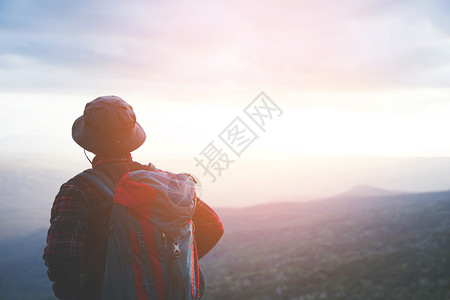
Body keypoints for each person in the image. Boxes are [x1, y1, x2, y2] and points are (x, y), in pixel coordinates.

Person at [43, 95, 223, 299]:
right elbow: (213, 224)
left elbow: (61, 256)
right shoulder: (163, 183)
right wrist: (165, 261)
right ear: (132, 137)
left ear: (88, 143)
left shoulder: (78, 190)